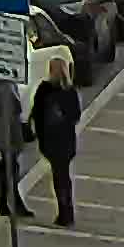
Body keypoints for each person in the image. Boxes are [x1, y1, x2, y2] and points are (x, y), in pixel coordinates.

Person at [30, 57, 82, 228]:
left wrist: (41, 135)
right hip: (66, 141)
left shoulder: (44, 90)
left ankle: (64, 212)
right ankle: (68, 210)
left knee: (59, 177)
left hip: (52, 141)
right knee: (64, 176)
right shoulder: (69, 91)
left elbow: (36, 115)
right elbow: (76, 116)